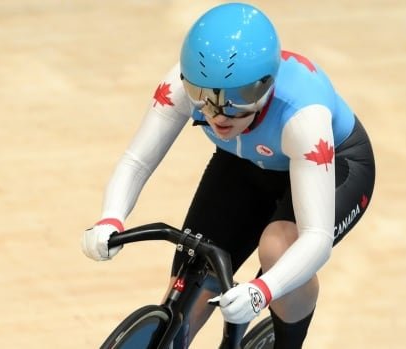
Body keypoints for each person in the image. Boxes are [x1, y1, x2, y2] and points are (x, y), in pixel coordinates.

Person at [81, 2, 375, 348]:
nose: (219, 113)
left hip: (335, 164)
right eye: (204, 98)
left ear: (266, 84)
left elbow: (317, 238)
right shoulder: (183, 85)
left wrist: (261, 290)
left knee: (278, 248)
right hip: (248, 164)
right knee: (192, 282)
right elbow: (136, 161)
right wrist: (110, 218)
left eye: (237, 97)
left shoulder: (303, 117)